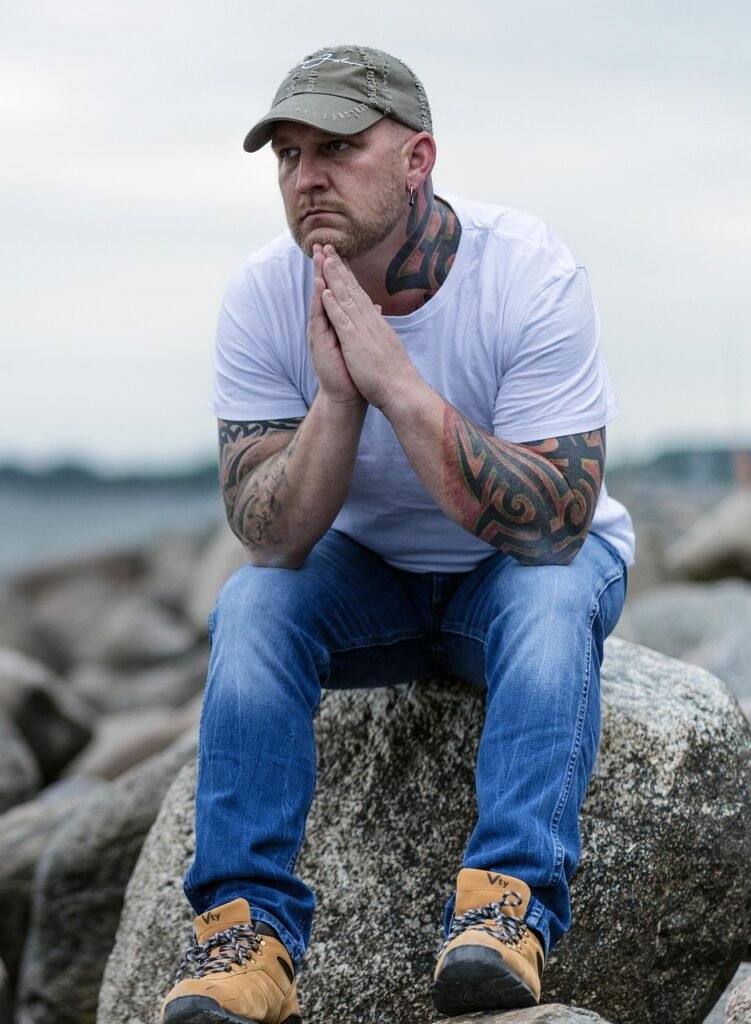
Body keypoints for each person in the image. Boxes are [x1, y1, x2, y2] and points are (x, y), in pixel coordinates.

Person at [160, 43, 634, 1024]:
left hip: (513, 573)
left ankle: (507, 912)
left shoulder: (528, 272)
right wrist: (338, 396)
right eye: (287, 154)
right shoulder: (262, 293)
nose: (306, 177)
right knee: (251, 604)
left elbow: (554, 521)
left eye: (335, 145)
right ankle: (245, 942)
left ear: (417, 159)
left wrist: (400, 384)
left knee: (551, 596)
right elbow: (272, 539)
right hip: (368, 581)